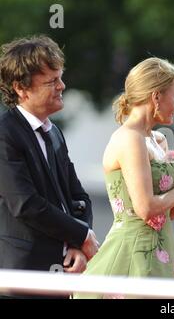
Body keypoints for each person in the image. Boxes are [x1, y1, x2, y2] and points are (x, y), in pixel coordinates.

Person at [72, 57, 174, 299]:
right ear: (156, 96)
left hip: (163, 251)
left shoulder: (158, 140)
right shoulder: (129, 139)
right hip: (132, 255)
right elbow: (146, 208)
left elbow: (168, 213)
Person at [0, 35, 99, 296]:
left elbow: (77, 196)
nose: (62, 86)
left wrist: (79, 242)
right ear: (21, 88)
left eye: (61, 77)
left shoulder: (53, 132)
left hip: (61, 272)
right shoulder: (4, 133)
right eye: (52, 81)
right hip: (21, 277)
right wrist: (82, 236)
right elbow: (25, 204)